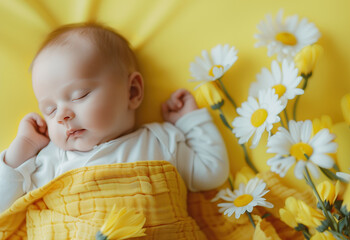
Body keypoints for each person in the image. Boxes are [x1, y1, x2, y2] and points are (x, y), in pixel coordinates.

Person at [0, 23, 229, 212]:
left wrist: (190, 121)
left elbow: (211, 172)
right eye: (49, 110)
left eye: (80, 95)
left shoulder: (161, 140)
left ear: (132, 92)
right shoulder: (55, 158)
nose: (61, 116)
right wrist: (22, 150)